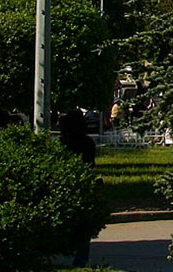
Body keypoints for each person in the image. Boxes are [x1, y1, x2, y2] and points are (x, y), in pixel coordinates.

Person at [59, 109, 97, 267]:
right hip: (84, 184)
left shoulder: (62, 142)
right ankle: (81, 257)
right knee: (83, 225)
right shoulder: (88, 142)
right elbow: (91, 164)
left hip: (65, 185)